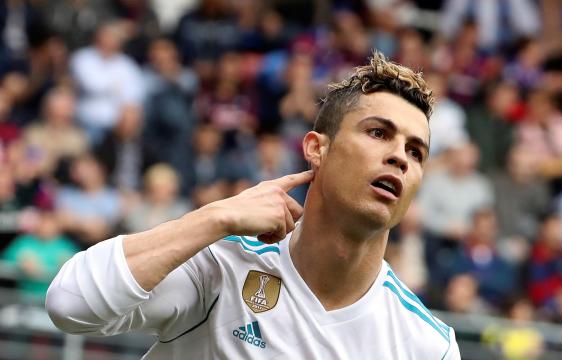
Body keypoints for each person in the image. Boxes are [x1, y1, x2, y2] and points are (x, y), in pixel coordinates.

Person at [45, 52, 460, 359]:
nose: (400, 157)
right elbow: (70, 304)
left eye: (416, 151)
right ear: (317, 149)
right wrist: (218, 216)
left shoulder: (427, 346)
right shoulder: (223, 264)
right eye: (377, 132)